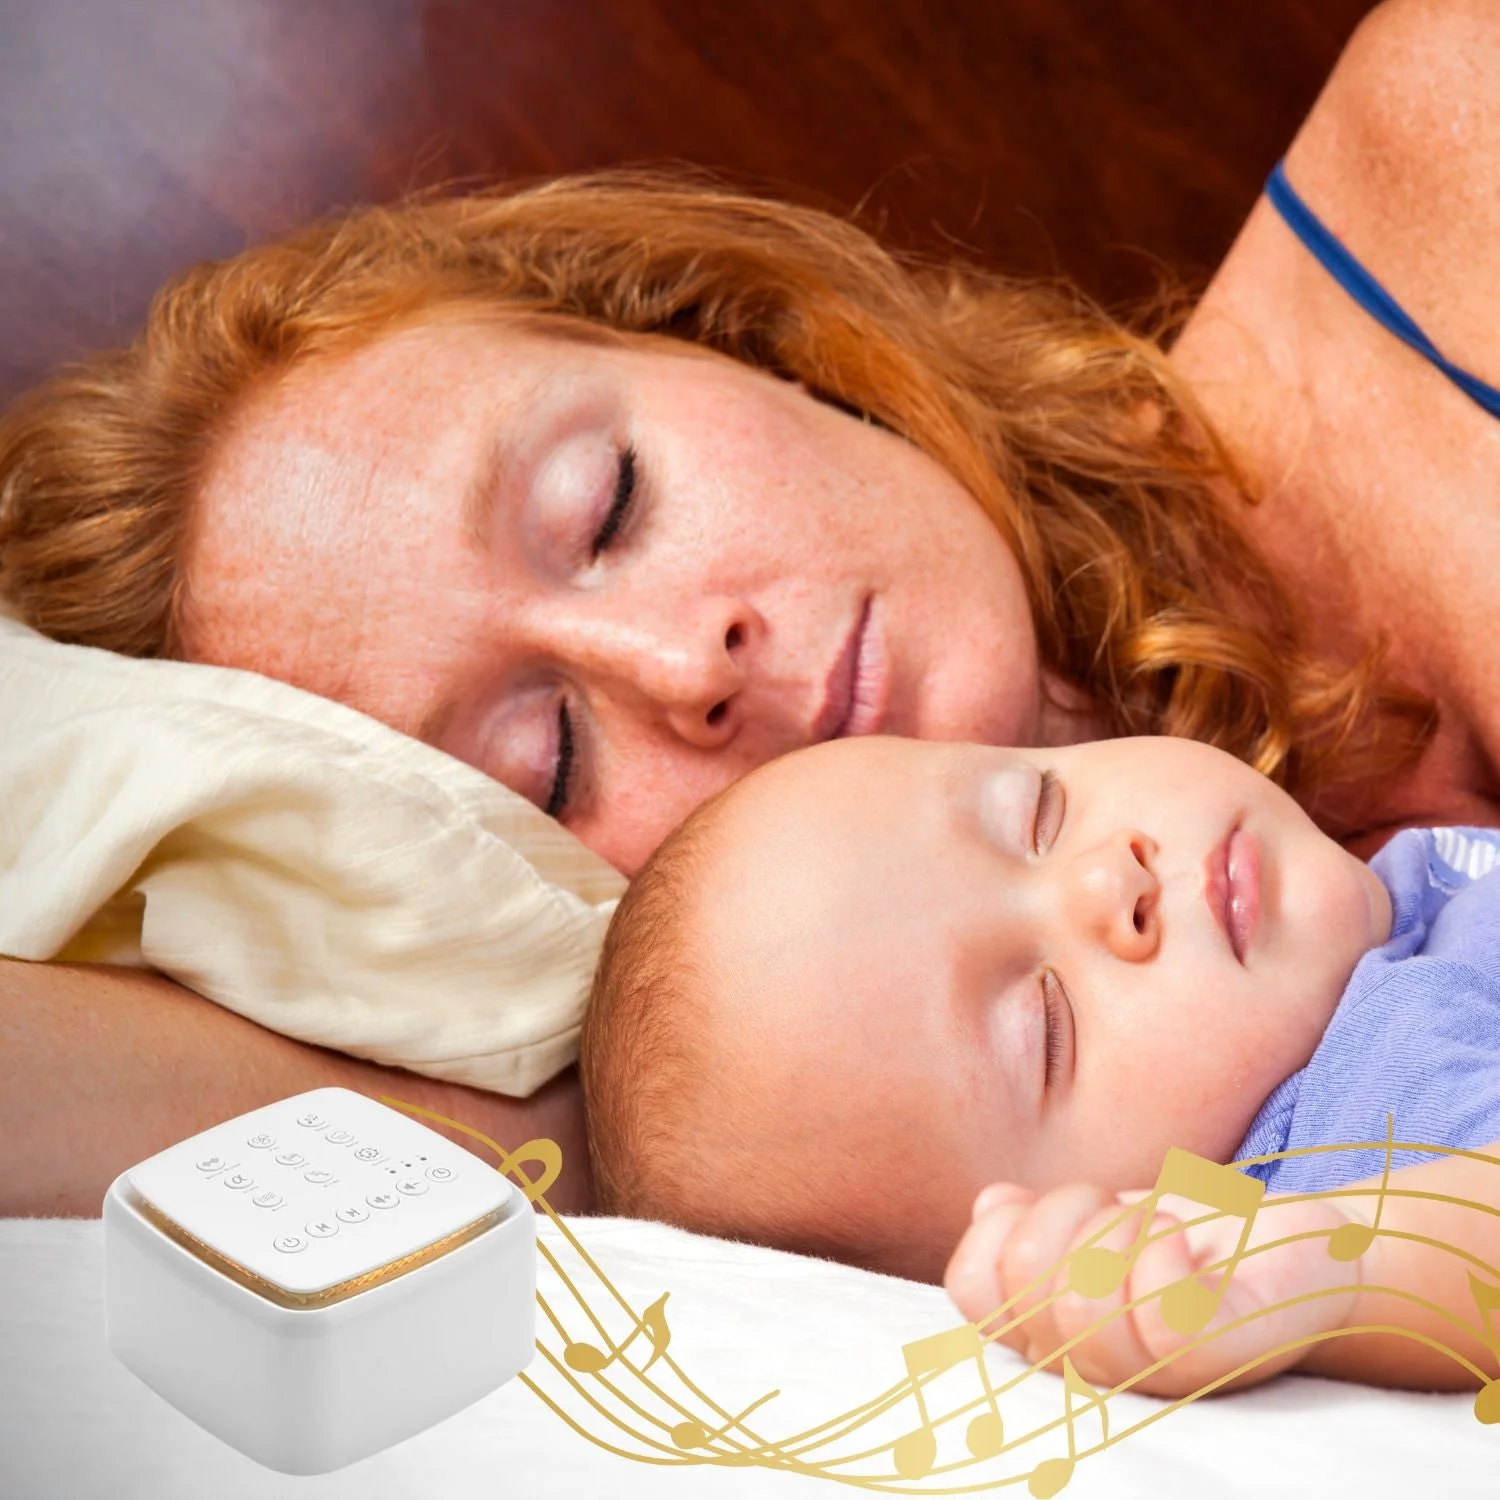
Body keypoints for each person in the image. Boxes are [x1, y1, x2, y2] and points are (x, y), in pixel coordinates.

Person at [2, 0, 1498, 1214]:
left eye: (609, 502)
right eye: (550, 765)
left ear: (740, 339)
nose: (681, 665)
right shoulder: (1010, 1160)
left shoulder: (1449, 143)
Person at [578, 732, 1500, 1395]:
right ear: (1092, 1221)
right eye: (1049, 1026)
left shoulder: (1403, 916)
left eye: (1039, 810)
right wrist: (1333, 1270)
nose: (1111, 878)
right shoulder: (1378, 1097)